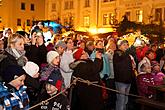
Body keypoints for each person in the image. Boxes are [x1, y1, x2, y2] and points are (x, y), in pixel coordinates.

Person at [113, 39, 135, 110]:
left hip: (128, 80)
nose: (126, 46)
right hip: (121, 81)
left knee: (125, 100)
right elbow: (120, 62)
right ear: (119, 46)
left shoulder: (127, 55)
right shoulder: (117, 53)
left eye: (127, 44)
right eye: (124, 44)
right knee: (121, 100)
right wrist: (127, 52)